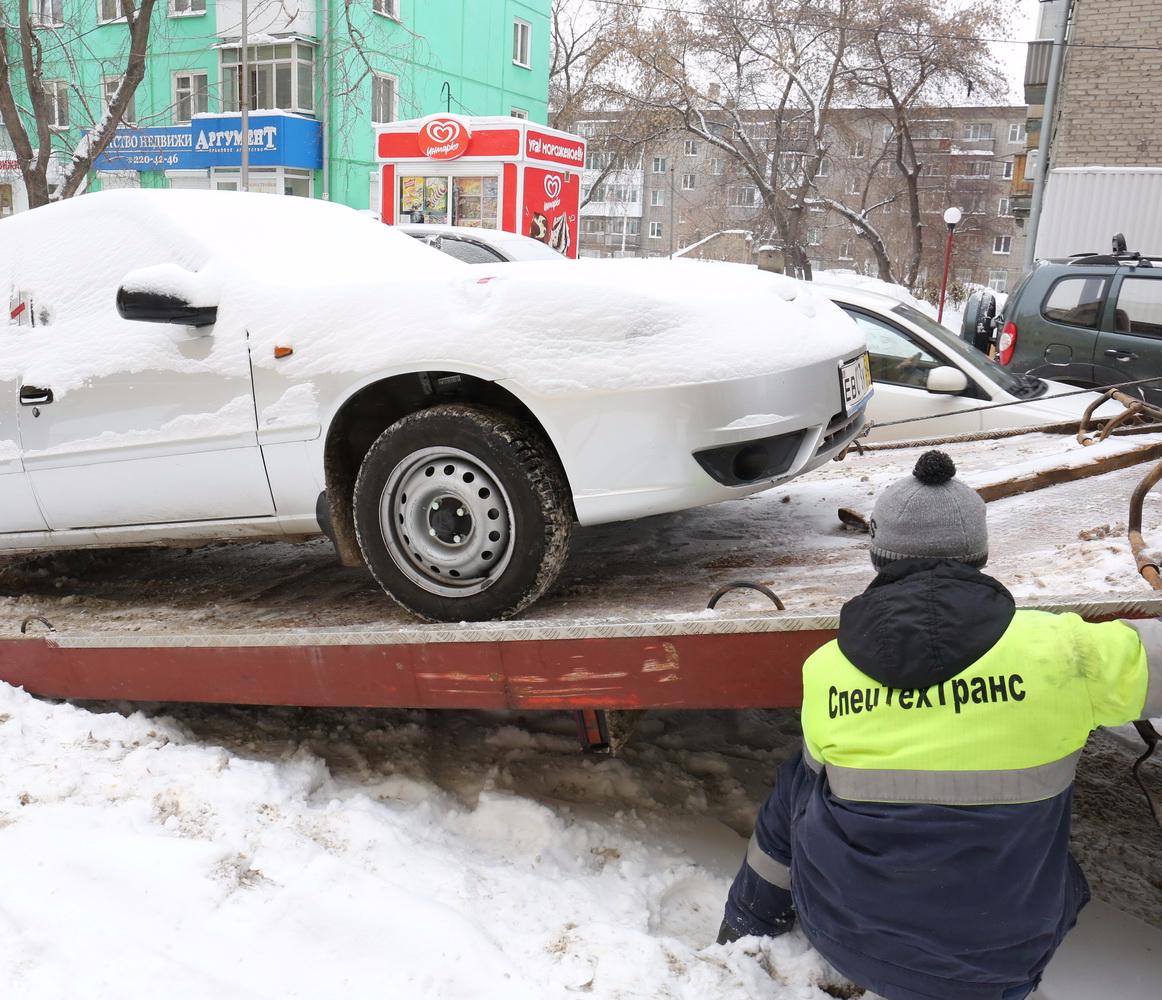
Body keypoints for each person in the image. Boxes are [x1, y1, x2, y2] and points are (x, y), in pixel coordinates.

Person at [717, 450, 1161, 1000]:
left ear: (879, 554)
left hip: (844, 939)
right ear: (980, 552)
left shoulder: (827, 668)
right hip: (999, 968)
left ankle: (744, 926)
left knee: (801, 779)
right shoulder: (1064, 649)